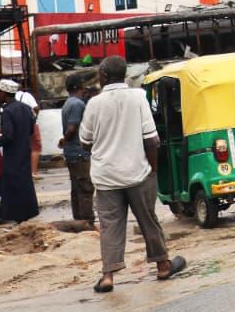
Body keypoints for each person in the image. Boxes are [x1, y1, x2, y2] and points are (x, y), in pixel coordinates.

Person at [80, 56, 185, 293]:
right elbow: (151, 140)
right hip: (137, 172)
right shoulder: (138, 97)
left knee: (110, 227)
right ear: (123, 75)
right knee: (148, 220)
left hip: (106, 177)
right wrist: (153, 170)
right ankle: (163, 265)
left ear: (104, 76)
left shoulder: (94, 104)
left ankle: (108, 276)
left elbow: (85, 142)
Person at [0, 79, 39, 223]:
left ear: (3, 93)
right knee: (25, 184)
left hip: (12, 155)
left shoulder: (7, 111)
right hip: (25, 152)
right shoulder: (25, 108)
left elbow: (8, 136)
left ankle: (16, 217)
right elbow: (31, 129)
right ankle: (27, 214)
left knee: (12, 186)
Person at [59, 73, 95, 225]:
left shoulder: (68, 103)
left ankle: (78, 220)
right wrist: (66, 139)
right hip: (79, 152)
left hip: (71, 152)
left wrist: (65, 141)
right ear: (80, 87)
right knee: (85, 188)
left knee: (76, 188)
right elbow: (72, 128)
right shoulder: (78, 104)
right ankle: (87, 221)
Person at [15, 87, 42, 179]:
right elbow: (36, 108)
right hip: (31, 124)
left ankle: (22, 172)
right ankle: (33, 172)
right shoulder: (26, 95)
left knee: (21, 148)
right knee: (35, 147)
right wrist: (35, 118)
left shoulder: (10, 97)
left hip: (17, 126)